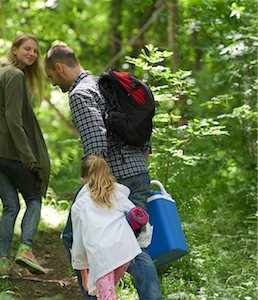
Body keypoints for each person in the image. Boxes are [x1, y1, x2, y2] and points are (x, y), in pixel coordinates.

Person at [44, 45, 162, 299]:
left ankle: (94, 295)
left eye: (51, 77)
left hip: (111, 178)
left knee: (73, 237)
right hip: (139, 172)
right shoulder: (105, 86)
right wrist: (140, 166)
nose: (53, 83)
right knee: (132, 243)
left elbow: (96, 142)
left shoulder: (80, 93)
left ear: (59, 67)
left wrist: (93, 182)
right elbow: (142, 132)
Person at [0, 33, 51, 279]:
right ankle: (26, 249)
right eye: (27, 49)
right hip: (9, 153)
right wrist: (28, 155)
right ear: (15, 49)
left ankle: (2, 265)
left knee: (10, 206)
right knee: (33, 199)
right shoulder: (15, 75)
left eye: (35, 51)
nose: (31, 54)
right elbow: (13, 119)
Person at [72, 155, 146, 299]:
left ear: (83, 178)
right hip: (125, 250)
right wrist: (142, 241)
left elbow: (79, 243)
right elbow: (139, 216)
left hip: (102, 255)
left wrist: (83, 274)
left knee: (107, 295)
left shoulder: (80, 205)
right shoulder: (118, 196)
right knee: (107, 293)